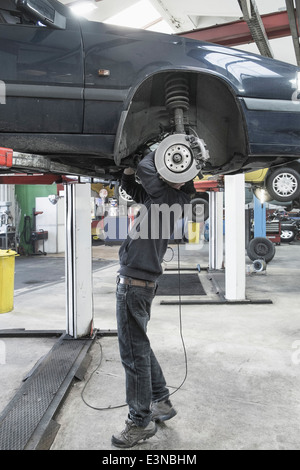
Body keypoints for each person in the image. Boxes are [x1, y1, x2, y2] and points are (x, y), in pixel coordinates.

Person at [111, 150, 194, 448]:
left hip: (134, 286)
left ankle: (139, 422)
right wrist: (128, 173)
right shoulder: (167, 200)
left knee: (133, 355)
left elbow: (147, 167)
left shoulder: (167, 199)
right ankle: (162, 401)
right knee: (140, 347)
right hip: (139, 283)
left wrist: (151, 151)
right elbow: (135, 187)